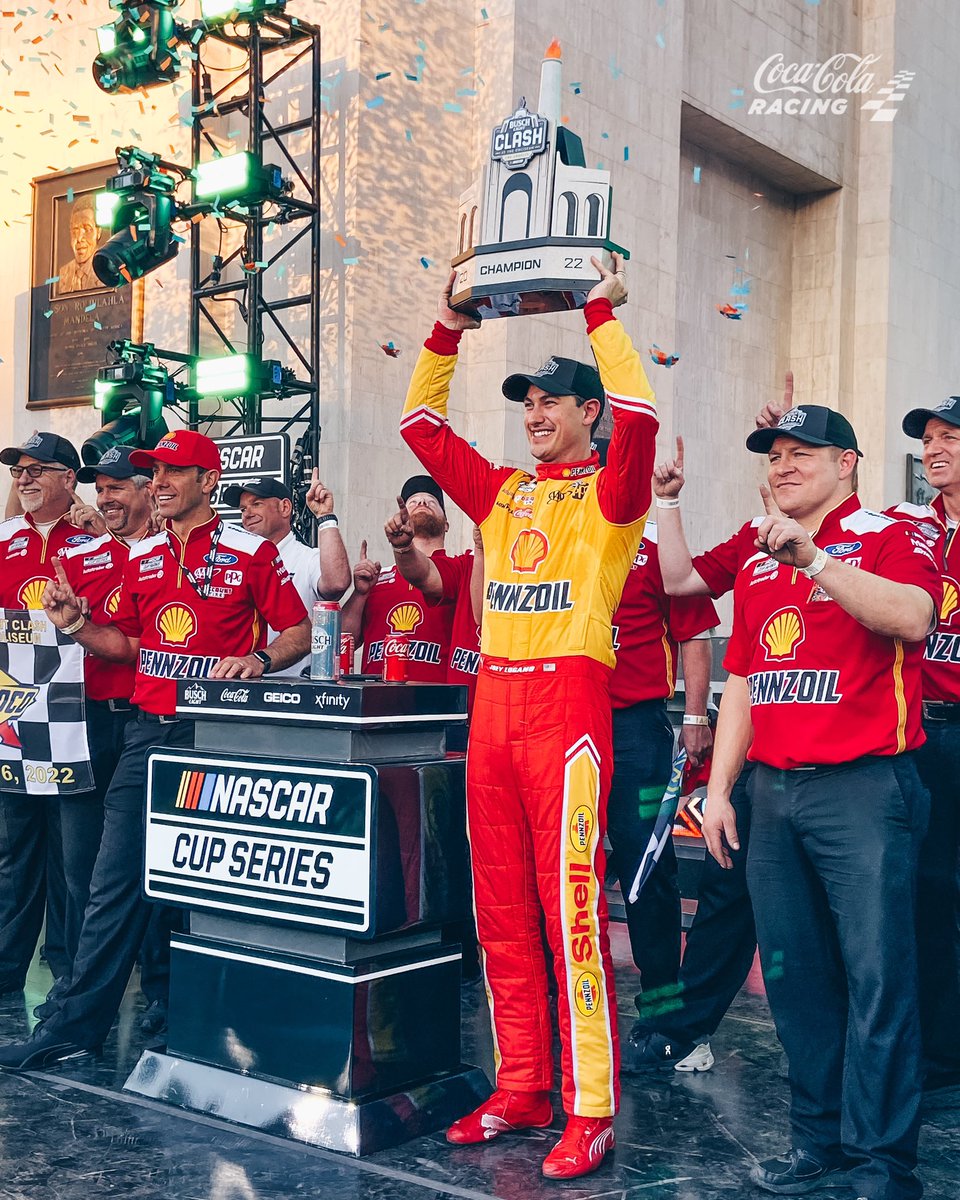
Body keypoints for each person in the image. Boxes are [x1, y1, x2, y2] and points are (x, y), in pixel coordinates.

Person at [401, 255, 657, 1179]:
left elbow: (645, 416)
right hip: (494, 703)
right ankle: (521, 1086)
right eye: (527, 404)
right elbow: (418, 426)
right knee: (498, 911)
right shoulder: (503, 489)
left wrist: (598, 314)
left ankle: (590, 1107)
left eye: (551, 401)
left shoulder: (613, 492)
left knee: (573, 913)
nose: (535, 415)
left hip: (569, 706)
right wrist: (446, 328)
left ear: (588, 411)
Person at [0, 429, 310, 1071]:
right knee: (114, 879)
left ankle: (188, 1015)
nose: (160, 483)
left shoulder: (252, 552)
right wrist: (78, 625)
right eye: (155, 472)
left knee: (198, 884)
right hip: (146, 731)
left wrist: (256, 658)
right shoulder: (140, 557)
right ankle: (74, 1024)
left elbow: (299, 632)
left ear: (209, 482)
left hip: (217, 736)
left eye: (173, 472)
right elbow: (129, 649)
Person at [701, 407, 938, 1199]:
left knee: (878, 979)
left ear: (849, 462)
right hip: (774, 792)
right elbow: (741, 680)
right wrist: (720, 788)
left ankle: (881, 1163)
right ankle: (819, 1143)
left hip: (865, 789)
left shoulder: (890, 532)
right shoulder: (756, 560)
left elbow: (913, 617)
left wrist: (816, 560)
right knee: (798, 978)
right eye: (774, 455)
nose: (783, 465)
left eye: (803, 453)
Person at [29, 448, 156, 1023]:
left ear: (151, 490)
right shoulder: (79, 559)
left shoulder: (172, 556)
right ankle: (74, 987)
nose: (106, 498)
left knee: (156, 867)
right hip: (85, 721)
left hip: (157, 723)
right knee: (84, 864)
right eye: (99, 489)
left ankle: (160, 992)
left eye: (118, 487)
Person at [605, 519, 718, 1061]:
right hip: (565, 722)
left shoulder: (654, 548)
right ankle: (569, 1008)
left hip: (635, 732)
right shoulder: (560, 534)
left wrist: (696, 716)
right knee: (561, 868)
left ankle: (662, 1017)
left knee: (647, 870)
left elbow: (694, 633)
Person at [0, 432, 92, 996]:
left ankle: (68, 972)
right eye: (18, 471)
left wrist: (103, 535)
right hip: (13, 711)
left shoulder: (92, 536)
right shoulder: (5, 536)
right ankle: (7, 968)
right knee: (14, 851)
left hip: (77, 713)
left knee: (71, 856)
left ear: (68, 478)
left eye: (39, 469)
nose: (25, 478)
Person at [223, 469, 350, 674]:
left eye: (256, 504)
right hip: (242, 687)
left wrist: (325, 516)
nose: (247, 514)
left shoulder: (307, 558)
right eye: (243, 509)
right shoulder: (237, 560)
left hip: (295, 690)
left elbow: (337, 583)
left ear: (284, 507)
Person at [342, 476, 456, 680]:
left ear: (446, 524)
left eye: (431, 501)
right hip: (376, 700)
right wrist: (359, 594)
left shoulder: (459, 572)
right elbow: (343, 641)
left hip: (438, 701)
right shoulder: (377, 579)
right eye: (413, 501)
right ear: (399, 519)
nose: (422, 502)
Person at [383, 494, 483, 719]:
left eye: (431, 501)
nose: (422, 503)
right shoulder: (464, 565)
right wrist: (404, 548)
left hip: (504, 706)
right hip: (453, 713)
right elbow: (426, 574)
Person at [56, 195, 102, 295]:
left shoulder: (106, 267)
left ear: (98, 232)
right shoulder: (64, 273)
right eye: (75, 231)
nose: (79, 238)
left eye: (87, 229)